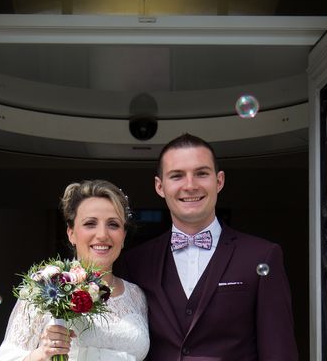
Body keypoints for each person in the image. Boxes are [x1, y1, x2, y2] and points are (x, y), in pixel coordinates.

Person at [119, 133, 299, 360]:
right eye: (177, 176)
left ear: (219, 180)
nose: (190, 185)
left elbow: (279, 351)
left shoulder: (262, 255)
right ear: (160, 186)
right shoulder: (135, 262)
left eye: (201, 173)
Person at [0, 180, 149, 361]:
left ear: (123, 236)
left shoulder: (136, 296)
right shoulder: (48, 284)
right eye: (90, 223)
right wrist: (42, 354)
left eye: (113, 224)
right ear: (71, 233)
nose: (102, 234)